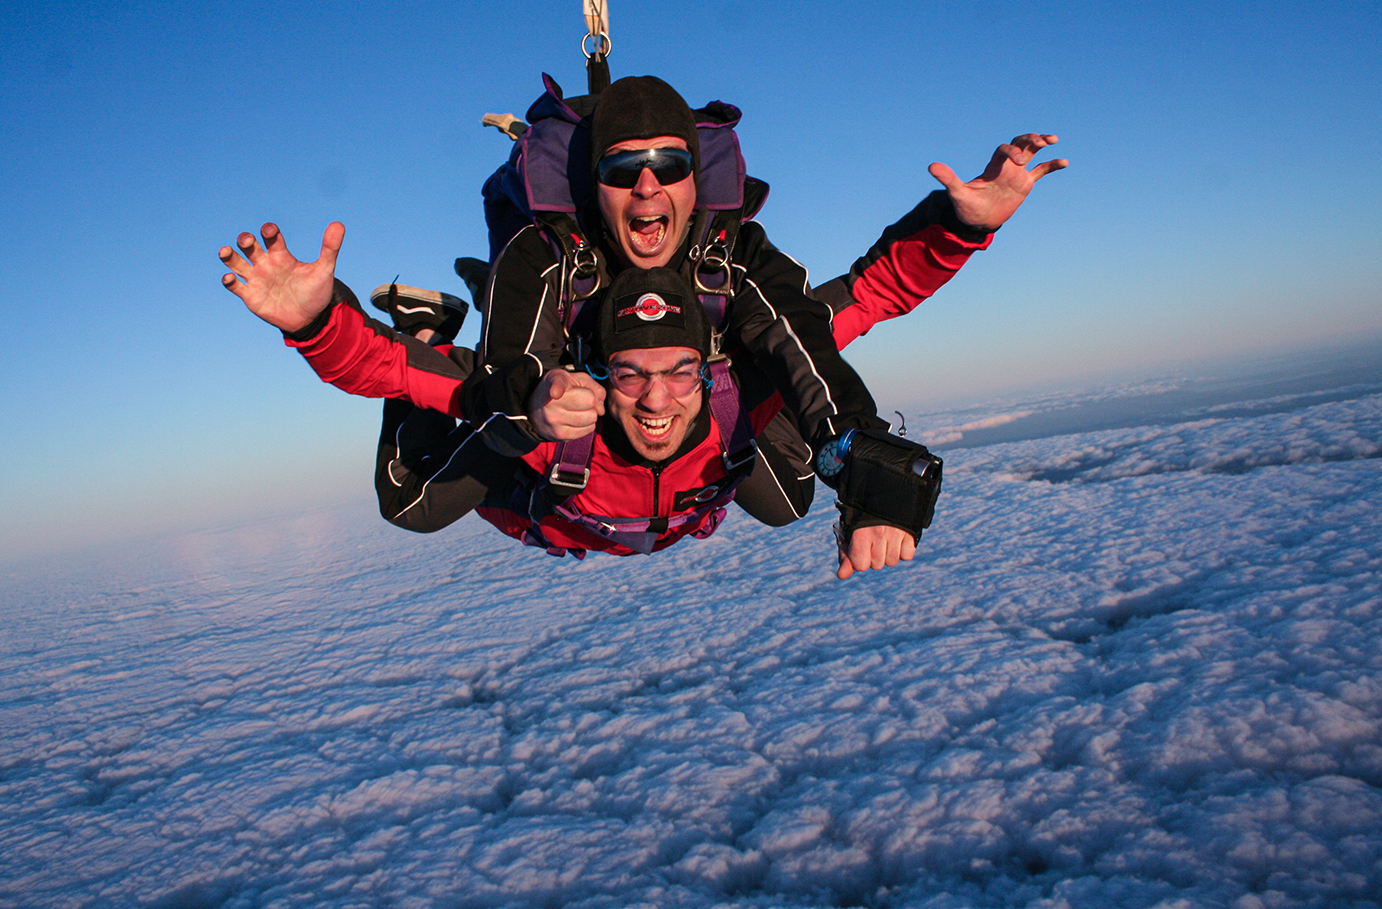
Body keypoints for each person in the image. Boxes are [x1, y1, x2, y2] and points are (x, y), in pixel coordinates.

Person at [218, 76, 1065, 577]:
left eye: (671, 166)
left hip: (692, 491)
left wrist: (860, 463)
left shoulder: (734, 289)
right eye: (626, 170)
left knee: (790, 496)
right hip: (557, 479)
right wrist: (322, 322)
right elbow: (415, 374)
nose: (651, 187)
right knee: (411, 502)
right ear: (597, 186)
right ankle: (440, 322)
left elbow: (840, 318)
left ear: (699, 182)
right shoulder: (550, 293)